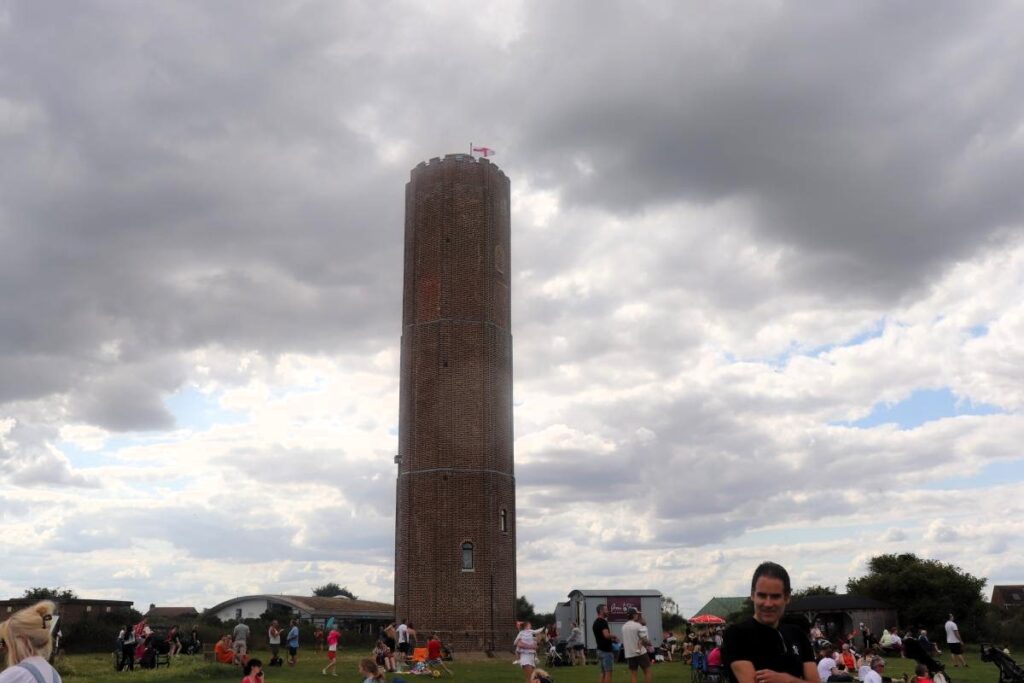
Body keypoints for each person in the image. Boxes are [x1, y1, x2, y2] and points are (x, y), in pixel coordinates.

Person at [721, 561, 816, 683]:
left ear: (786, 598)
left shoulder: (797, 634)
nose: (768, 604)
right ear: (752, 595)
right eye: (762, 596)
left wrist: (787, 680)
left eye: (775, 596)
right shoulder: (737, 634)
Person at [0, 601, 63, 683]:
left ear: (22, 640)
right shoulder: (54, 674)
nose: (7, 649)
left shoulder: (18, 674)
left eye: (9, 642)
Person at [621, 607, 652, 683]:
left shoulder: (623, 627)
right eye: (637, 614)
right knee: (647, 672)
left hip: (629, 654)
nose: (638, 615)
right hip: (641, 653)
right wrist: (649, 643)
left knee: (633, 674)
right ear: (634, 615)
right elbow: (644, 640)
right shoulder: (638, 625)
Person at [593, 603, 618, 683]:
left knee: (602, 673)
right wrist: (614, 636)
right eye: (606, 610)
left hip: (599, 650)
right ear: (601, 611)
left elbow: (601, 636)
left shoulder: (595, 622)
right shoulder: (603, 622)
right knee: (608, 673)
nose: (608, 611)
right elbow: (606, 635)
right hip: (606, 651)